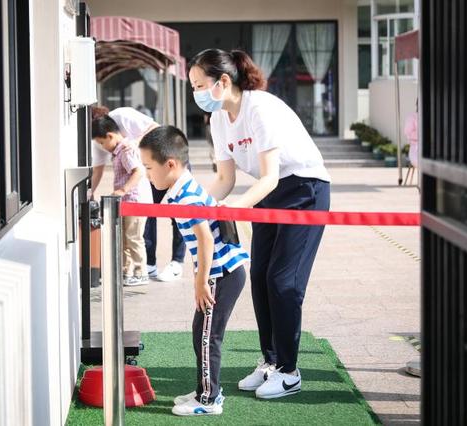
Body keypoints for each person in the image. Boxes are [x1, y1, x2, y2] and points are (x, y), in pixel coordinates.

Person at [188, 49, 331, 399]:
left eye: (199, 85)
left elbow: (268, 176)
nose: (196, 94)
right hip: (267, 194)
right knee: (260, 277)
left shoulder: (259, 107)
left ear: (223, 81)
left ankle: (289, 370)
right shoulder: (219, 119)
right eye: (192, 86)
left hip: (304, 188)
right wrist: (198, 205)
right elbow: (224, 178)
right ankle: (270, 361)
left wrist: (234, 207)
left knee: (283, 282)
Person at [139, 126, 249, 416]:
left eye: (149, 168)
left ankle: (209, 400)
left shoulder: (186, 197)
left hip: (221, 273)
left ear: (170, 164)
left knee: (207, 336)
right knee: (201, 331)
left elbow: (205, 239)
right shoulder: (182, 187)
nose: (147, 175)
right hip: (220, 271)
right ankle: (205, 389)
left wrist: (200, 282)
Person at [91, 106, 186, 282]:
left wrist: (135, 145)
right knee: (142, 224)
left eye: (102, 143)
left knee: (177, 213)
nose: (101, 147)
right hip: (145, 178)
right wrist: (91, 191)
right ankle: (144, 266)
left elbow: (155, 129)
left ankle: (175, 262)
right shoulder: (100, 139)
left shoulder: (123, 119)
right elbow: (98, 169)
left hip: (167, 162)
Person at [92, 114, 152, 286]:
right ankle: (126, 271)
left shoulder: (126, 150)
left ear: (110, 135)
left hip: (134, 201)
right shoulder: (119, 152)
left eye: (102, 143)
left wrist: (122, 190)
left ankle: (141, 272)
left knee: (133, 238)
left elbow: (138, 171)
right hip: (127, 202)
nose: (102, 147)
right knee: (124, 238)